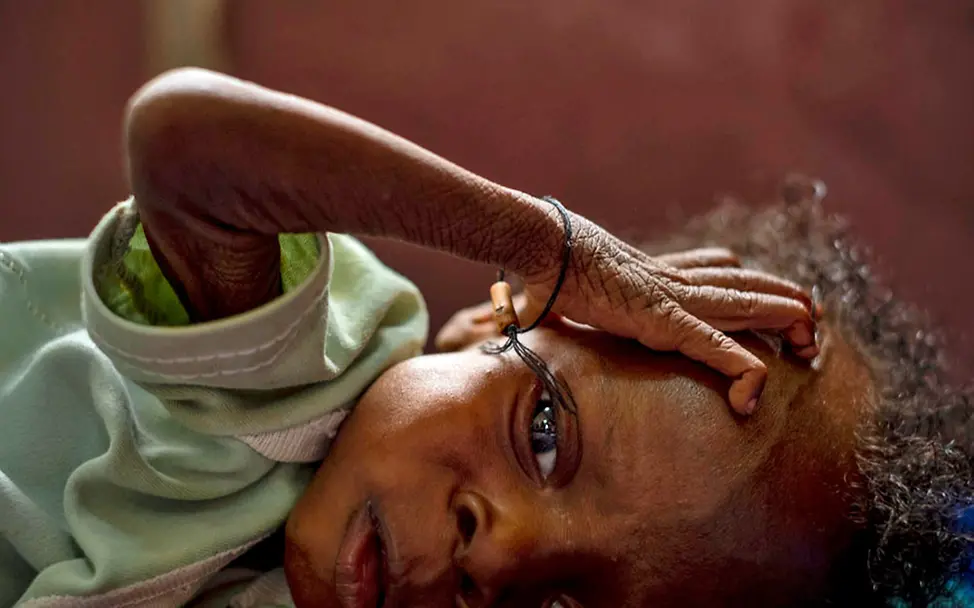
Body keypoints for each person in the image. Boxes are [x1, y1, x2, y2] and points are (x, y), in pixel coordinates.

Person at [0, 68, 966, 607]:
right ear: (489, 319)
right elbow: (185, 143)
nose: (500, 557)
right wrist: (546, 243)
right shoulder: (299, 378)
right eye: (544, 434)